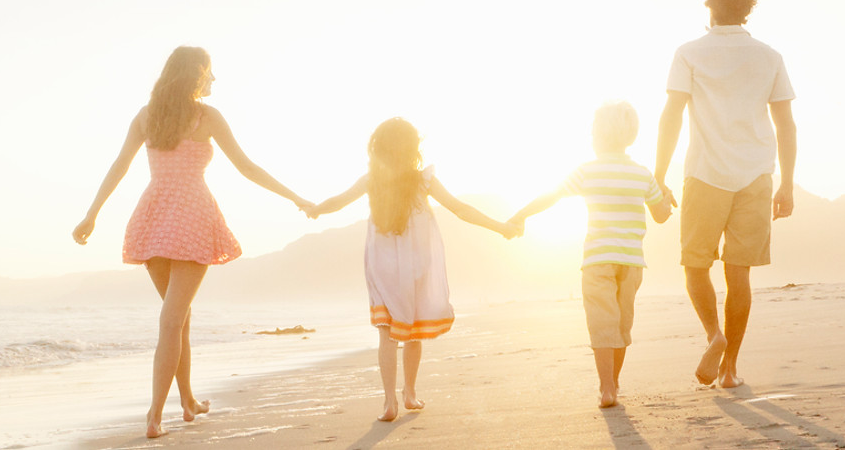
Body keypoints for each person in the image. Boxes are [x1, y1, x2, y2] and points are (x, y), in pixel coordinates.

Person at [72, 46, 312, 439]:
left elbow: (120, 165)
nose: (214, 80)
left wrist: (92, 214)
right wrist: (295, 197)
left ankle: (187, 401)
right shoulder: (207, 116)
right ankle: (154, 415)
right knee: (172, 319)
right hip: (192, 217)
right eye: (210, 73)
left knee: (176, 316)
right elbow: (247, 167)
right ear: (196, 75)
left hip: (153, 216)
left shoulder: (147, 116)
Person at [305, 117, 518, 422]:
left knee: (387, 335)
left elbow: (337, 202)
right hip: (417, 262)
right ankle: (410, 392)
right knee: (413, 332)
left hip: (382, 265)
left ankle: (389, 400)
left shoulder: (371, 181)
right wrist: (499, 227)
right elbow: (460, 209)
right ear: (413, 148)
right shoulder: (424, 180)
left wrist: (314, 208)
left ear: (377, 148)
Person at [655, 0, 797, 388]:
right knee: (739, 276)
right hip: (755, 175)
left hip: (703, 173)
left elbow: (672, 116)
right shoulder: (769, 56)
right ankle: (730, 368)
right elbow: (785, 125)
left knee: (695, 267)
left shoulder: (689, 53)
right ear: (747, 10)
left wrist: (659, 175)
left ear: (709, 7)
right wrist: (786, 183)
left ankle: (713, 335)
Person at [508, 101, 671, 408]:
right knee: (621, 327)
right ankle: (614, 384)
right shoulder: (641, 173)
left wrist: (521, 214)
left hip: (598, 259)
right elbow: (661, 215)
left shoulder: (587, 171)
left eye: (593, 130)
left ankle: (606, 387)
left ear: (599, 135)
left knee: (602, 324)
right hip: (632, 261)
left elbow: (552, 196)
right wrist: (667, 199)